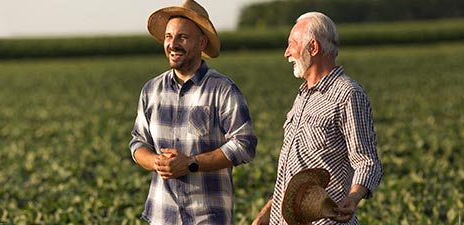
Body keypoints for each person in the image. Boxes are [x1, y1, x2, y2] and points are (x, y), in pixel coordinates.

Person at [129, 0, 258, 224]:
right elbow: (138, 142)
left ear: (202, 43)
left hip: (207, 216)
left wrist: (191, 163)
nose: (173, 44)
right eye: (169, 37)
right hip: (162, 215)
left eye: (182, 37)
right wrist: (157, 162)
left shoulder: (222, 89)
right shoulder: (151, 90)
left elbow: (245, 144)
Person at [252, 12, 383, 225]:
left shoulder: (348, 94)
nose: (287, 53)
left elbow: (367, 161)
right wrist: (266, 214)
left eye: (292, 44)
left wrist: (352, 198)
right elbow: (292, 171)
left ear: (313, 48)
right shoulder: (302, 96)